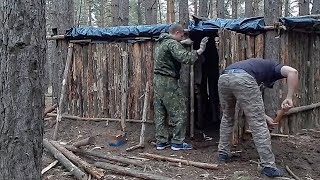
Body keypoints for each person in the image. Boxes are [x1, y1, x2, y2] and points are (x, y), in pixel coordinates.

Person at [217, 58, 298, 177]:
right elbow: (293, 72)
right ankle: (269, 166)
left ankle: (223, 153)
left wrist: (265, 117)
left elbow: (244, 102)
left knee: (227, 117)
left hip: (224, 78)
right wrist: (289, 97)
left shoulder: (253, 67)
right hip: (242, 78)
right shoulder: (274, 67)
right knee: (258, 125)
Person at [153, 24, 209, 150]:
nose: (182, 36)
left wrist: (183, 43)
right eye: (182, 35)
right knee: (180, 110)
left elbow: (170, 50)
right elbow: (185, 58)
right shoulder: (172, 44)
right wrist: (199, 50)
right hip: (168, 82)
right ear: (177, 33)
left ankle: (161, 142)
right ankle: (177, 142)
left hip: (157, 81)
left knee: (160, 111)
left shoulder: (160, 43)